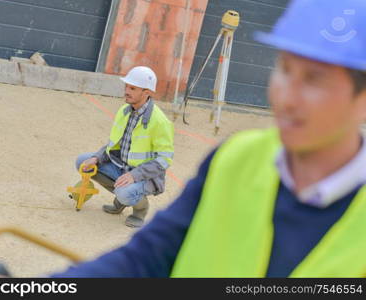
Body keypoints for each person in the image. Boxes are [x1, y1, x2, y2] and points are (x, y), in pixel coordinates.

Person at [49, 0, 366, 277]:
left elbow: (162, 160)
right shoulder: (236, 158)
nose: (286, 97)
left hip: (140, 176)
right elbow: (150, 257)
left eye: (314, 80)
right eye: (284, 69)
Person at [76, 66, 174, 228]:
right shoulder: (124, 111)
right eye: (127, 86)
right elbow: (113, 144)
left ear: (147, 92)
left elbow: (164, 160)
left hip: (145, 176)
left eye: (133, 88)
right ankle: (122, 201)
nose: (127, 91)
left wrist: (135, 175)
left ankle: (140, 210)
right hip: (121, 168)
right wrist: (96, 158)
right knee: (83, 162)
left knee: (125, 192)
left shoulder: (160, 122)